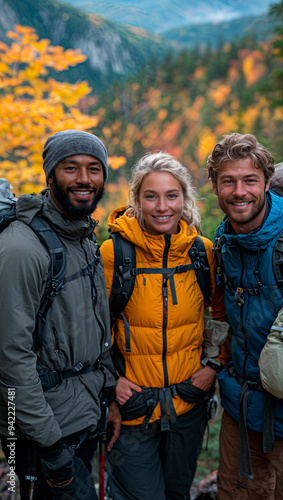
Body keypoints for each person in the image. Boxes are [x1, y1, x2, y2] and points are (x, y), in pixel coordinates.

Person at [207, 132, 283, 499]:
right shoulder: (226, 243)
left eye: (250, 180)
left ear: (267, 183)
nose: (239, 191)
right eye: (228, 181)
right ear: (215, 186)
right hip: (241, 417)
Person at [100, 151, 229, 500]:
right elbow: (93, 328)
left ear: (184, 199)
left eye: (171, 196)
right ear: (137, 200)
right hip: (132, 410)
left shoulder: (202, 253)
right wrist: (112, 382)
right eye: (151, 196)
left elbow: (221, 316)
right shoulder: (113, 255)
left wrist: (212, 367)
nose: (162, 206)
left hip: (187, 406)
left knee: (177, 493)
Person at [0, 130, 121, 500]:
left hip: (82, 417)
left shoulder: (82, 238)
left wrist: (109, 393)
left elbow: (95, 327)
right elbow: (10, 359)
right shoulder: (23, 249)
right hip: (42, 435)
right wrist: (50, 446)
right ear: (50, 176)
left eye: (94, 169)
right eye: (71, 168)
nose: (84, 179)